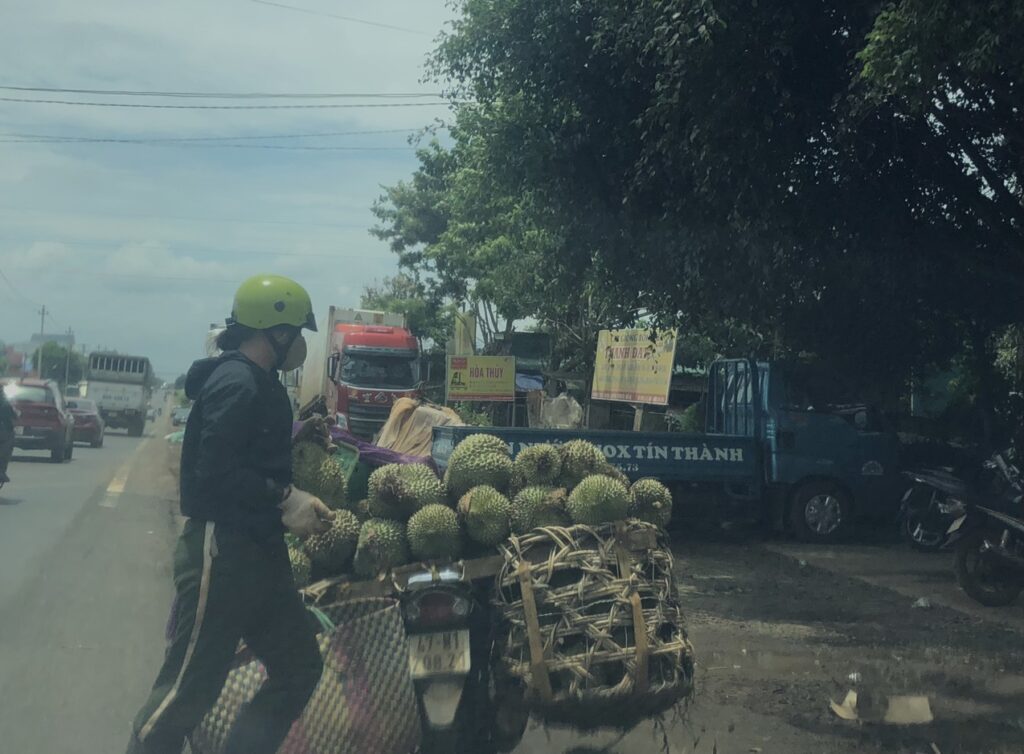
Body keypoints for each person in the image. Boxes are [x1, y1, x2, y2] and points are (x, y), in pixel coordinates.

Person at [126, 274, 334, 754]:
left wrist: (289, 470)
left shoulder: (260, 385)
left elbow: (252, 455)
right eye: (296, 333)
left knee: (298, 664)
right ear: (275, 333)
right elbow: (214, 472)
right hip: (222, 552)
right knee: (187, 691)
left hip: (261, 554)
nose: (300, 345)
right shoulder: (235, 382)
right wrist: (285, 498)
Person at [0, 385, 16, 485]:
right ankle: (1, 470)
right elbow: (11, 414)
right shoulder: (4, 402)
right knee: (6, 443)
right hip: (3, 432)